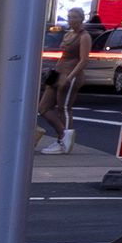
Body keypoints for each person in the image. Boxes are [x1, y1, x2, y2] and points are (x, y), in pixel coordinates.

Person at [40, 11, 86, 152]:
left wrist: (71, 76)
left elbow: (84, 59)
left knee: (64, 108)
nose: (71, 20)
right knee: (43, 107)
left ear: (82, 19)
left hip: (69, 74)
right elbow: (63, 56)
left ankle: (64, 143)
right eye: (69, 17)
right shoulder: (68, 34)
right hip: (58, 71)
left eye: (75, 17)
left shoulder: (84, 36)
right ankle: (63, 135)